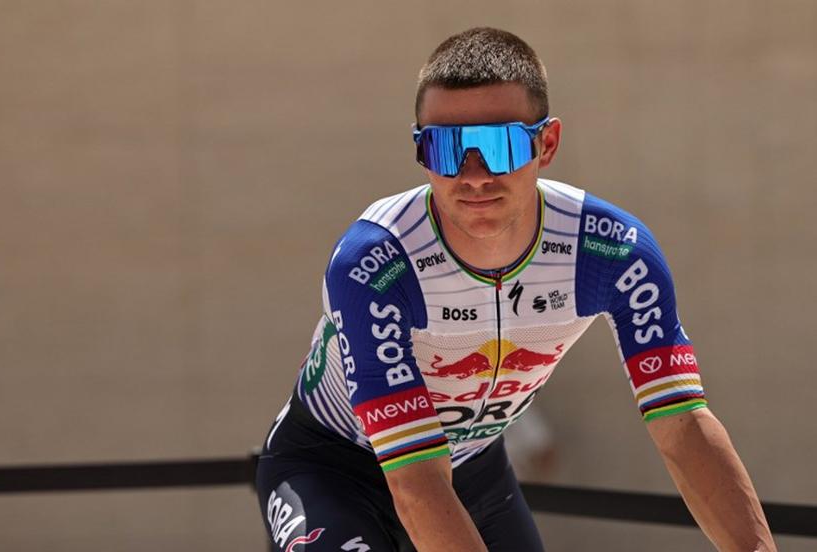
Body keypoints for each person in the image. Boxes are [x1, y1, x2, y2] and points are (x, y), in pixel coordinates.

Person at [256, 27, 777, 552]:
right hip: (332, 468)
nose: (473, 175)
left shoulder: (611, 251)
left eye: (498, 146)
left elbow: (682, 424)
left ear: (546, 144)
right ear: (420, 150)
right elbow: (415, 482)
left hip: (473, 469)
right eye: (445, 148)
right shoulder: (376, 262)